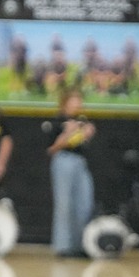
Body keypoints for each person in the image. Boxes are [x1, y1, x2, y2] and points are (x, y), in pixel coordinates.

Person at [47, 88, 96, 257]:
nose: (77, 105)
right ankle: (63, 246)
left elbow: (83, 143)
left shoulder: (82, 120)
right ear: (65, 103)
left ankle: (81, 244)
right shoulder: (57, 121)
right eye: (73, 101)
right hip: (63, 160)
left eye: (79, 101)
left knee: (84, 202)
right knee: (64, 203)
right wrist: (68, 132)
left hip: (80, 162)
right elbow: (52, 148)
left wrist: (87, 133)